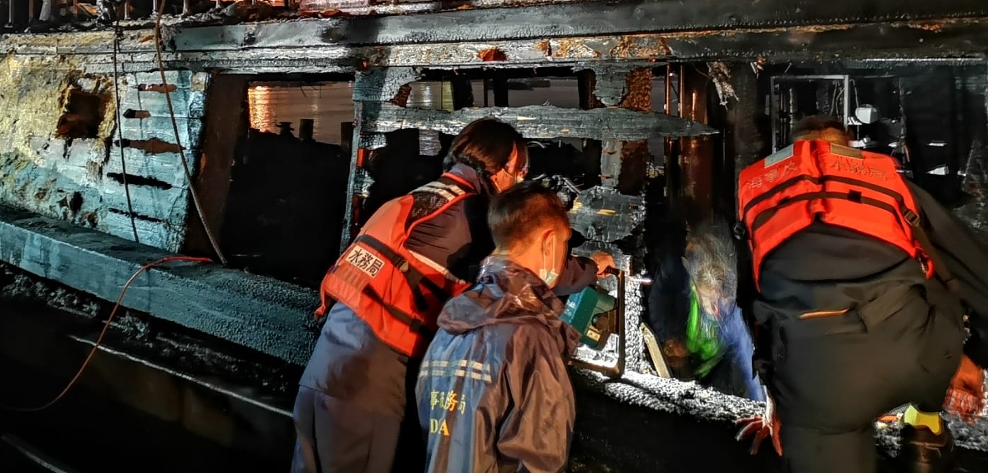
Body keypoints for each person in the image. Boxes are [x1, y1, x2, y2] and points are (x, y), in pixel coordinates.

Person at [291, 118, 610, 473]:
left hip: (324, 366)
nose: (519, 181)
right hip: (370, 383)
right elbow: (533, 265)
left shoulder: (424, 197)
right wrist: (593, 266)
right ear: (505, 166)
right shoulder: (473, 213)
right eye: (521, 171)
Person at [734, 115, 988, 473]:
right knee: (935, 272)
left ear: (790, 153)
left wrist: (777, 400)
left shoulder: (758, 204)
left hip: (817, 385)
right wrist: (972, 357)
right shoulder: (893, 190)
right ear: (849, 151)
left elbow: (753, 307)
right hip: (918, 361)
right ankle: (924, 430)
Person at [415, 178, 587, 473]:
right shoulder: (530, 340)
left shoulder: (450, 326)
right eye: (564, 244)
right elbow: (539, 461)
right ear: (548, 242)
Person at [647, 222, 764, 400]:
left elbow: (750, 369)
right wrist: (670, 335)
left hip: (713, 375)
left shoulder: (737, 317)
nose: (717, 310)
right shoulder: (680, 274)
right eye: (709, 300)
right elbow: (659, 297)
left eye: (722, 300)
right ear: (695, 289)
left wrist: (762, 405)